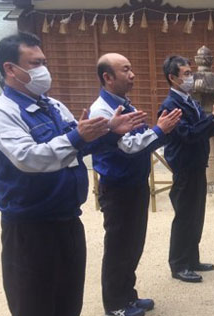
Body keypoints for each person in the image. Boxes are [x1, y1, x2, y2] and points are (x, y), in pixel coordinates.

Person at [0, 32, 146, 316]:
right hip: (30, 228)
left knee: (68, 302)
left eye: (44, 62)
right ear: (10, 69)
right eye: (35, 63)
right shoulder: (4, 112)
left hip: (68, 220)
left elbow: (77, 149)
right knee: (35, 305)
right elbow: (29, 158)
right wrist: (79, 137)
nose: (43, 69)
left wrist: (107, 134)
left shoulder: (54, 107)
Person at [89, 53, 183, 316]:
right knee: (119, 247)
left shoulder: (124, 104)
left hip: (134, 184)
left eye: (131, 69)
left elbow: (140, 138)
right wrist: (160, 130)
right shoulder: (102, 110)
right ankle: (116, 305)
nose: (132, 75)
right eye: (125, 70)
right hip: (118, 189)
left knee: (133, 244)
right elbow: (128, 147)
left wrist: (159, 132)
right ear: (107, 77)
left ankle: (128, 296)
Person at [158, 55, 214, 283]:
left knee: (196, 216)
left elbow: (206, 130)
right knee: (184, 217)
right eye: (185, 73)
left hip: (197, 166)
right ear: (172, 78)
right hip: (184, 167)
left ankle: (192, 259)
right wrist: (213, 116)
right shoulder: (170, 106)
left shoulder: (190, 100)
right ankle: (178, 264)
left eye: (190, 72)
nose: (190, 77)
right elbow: (189, 134)